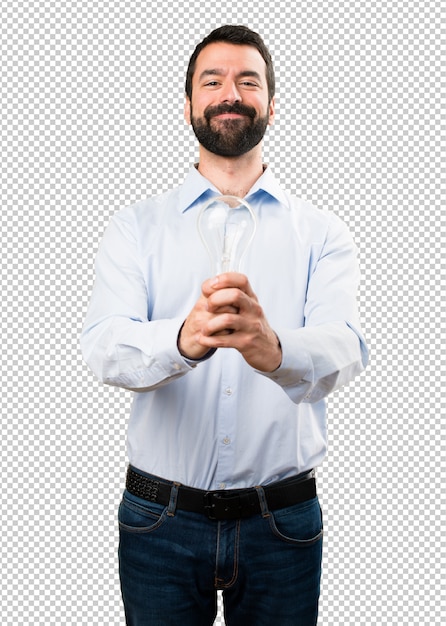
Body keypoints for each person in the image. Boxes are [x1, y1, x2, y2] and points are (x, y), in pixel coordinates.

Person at [80, 24, 368, 626]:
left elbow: (346, 346)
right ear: (188, 103)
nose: (229, 93)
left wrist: (276, 349)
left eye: (248, 81)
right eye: (211, 81)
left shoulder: (323, 232)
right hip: (159, 517)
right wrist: (180, 342)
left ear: (270, 102)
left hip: (282, 521)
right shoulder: (137, 226)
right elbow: (104, 347)